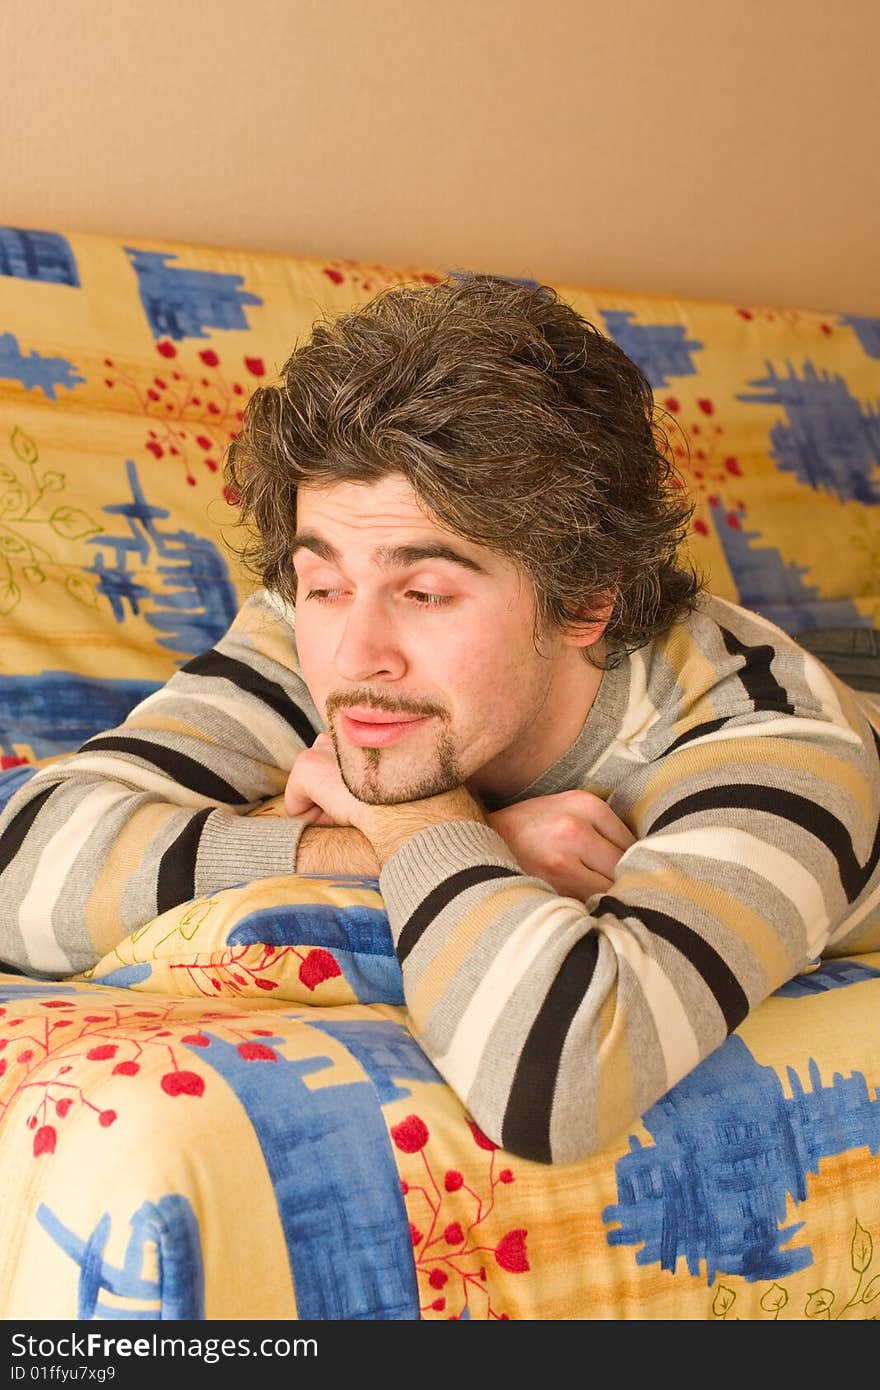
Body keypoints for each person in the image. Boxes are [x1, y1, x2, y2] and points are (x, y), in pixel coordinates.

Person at [1, 274, 879, 1165]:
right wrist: (463, 838)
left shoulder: (776, 737)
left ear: (585, 600)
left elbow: (551, 1083)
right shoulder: (329, 626)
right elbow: (18, 870)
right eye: (324, 583)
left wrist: (403, 808)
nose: (353, 656)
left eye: (425, 592)